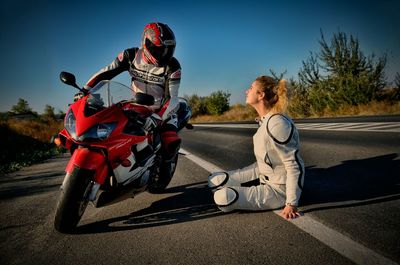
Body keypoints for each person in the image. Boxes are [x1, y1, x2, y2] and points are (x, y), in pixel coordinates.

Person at [79, 22, 182, 158]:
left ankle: (165, 168)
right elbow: (106, 72)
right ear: (146, 43)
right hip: (135, 106)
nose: (164, 54)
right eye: (159, 49)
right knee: (113, 133)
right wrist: (85, 89)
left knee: (169, 142)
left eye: (168, 49)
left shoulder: (173, 66)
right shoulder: (130, 55)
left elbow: (172, 98)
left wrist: (158, 118)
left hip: (162, 111)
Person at [208, 76, 305, 220]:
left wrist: (291, 203)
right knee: (214, 180)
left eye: (251, 88)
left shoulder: (278, 124)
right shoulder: (266, 119)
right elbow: (266, 160)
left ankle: (260, 193)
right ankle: (249, 185)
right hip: (261, 172)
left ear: (261, 95)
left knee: (222, 197)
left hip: (277, 189)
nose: (247, 91)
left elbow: (295, 166)